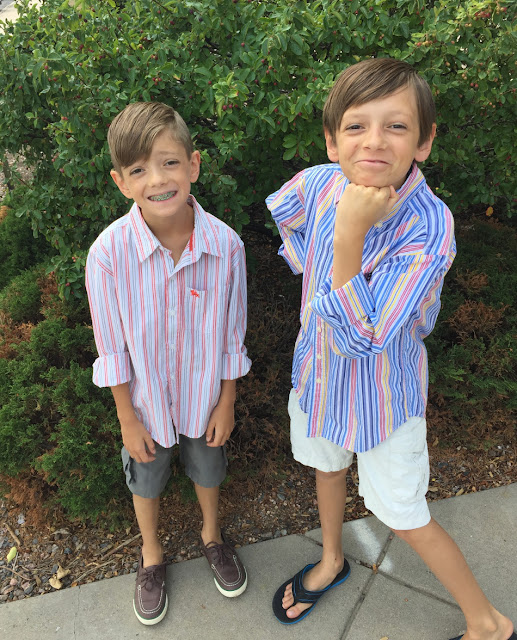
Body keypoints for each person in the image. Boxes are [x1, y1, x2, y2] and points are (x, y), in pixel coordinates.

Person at [267, 58, 515, 640]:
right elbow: (287, 213)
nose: (374, 140)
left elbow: (365, 339)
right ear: (332, 141)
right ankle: (332, 560)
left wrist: (349, 235)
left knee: (404, 514)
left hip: (383, 402)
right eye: (356, 126)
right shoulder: (319, 182)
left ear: (424, 141)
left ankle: (489, 623)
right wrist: (311, 266)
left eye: (396, 126)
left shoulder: (429, 227)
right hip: (319, 377)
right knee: (327, 467)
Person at [86, 102, 251, 626]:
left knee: (209, 468)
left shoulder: (226, 247)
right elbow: (111, 348)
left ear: (193, 165)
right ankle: (152, 553)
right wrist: (126, 418)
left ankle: (212, 535)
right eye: (139, 170)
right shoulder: (108, 255)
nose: (157, 179)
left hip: (205, 400)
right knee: (146, 480)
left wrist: (226, 401)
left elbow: (232, 336)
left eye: (169, 162)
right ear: (121, 182)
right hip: (145, 407)